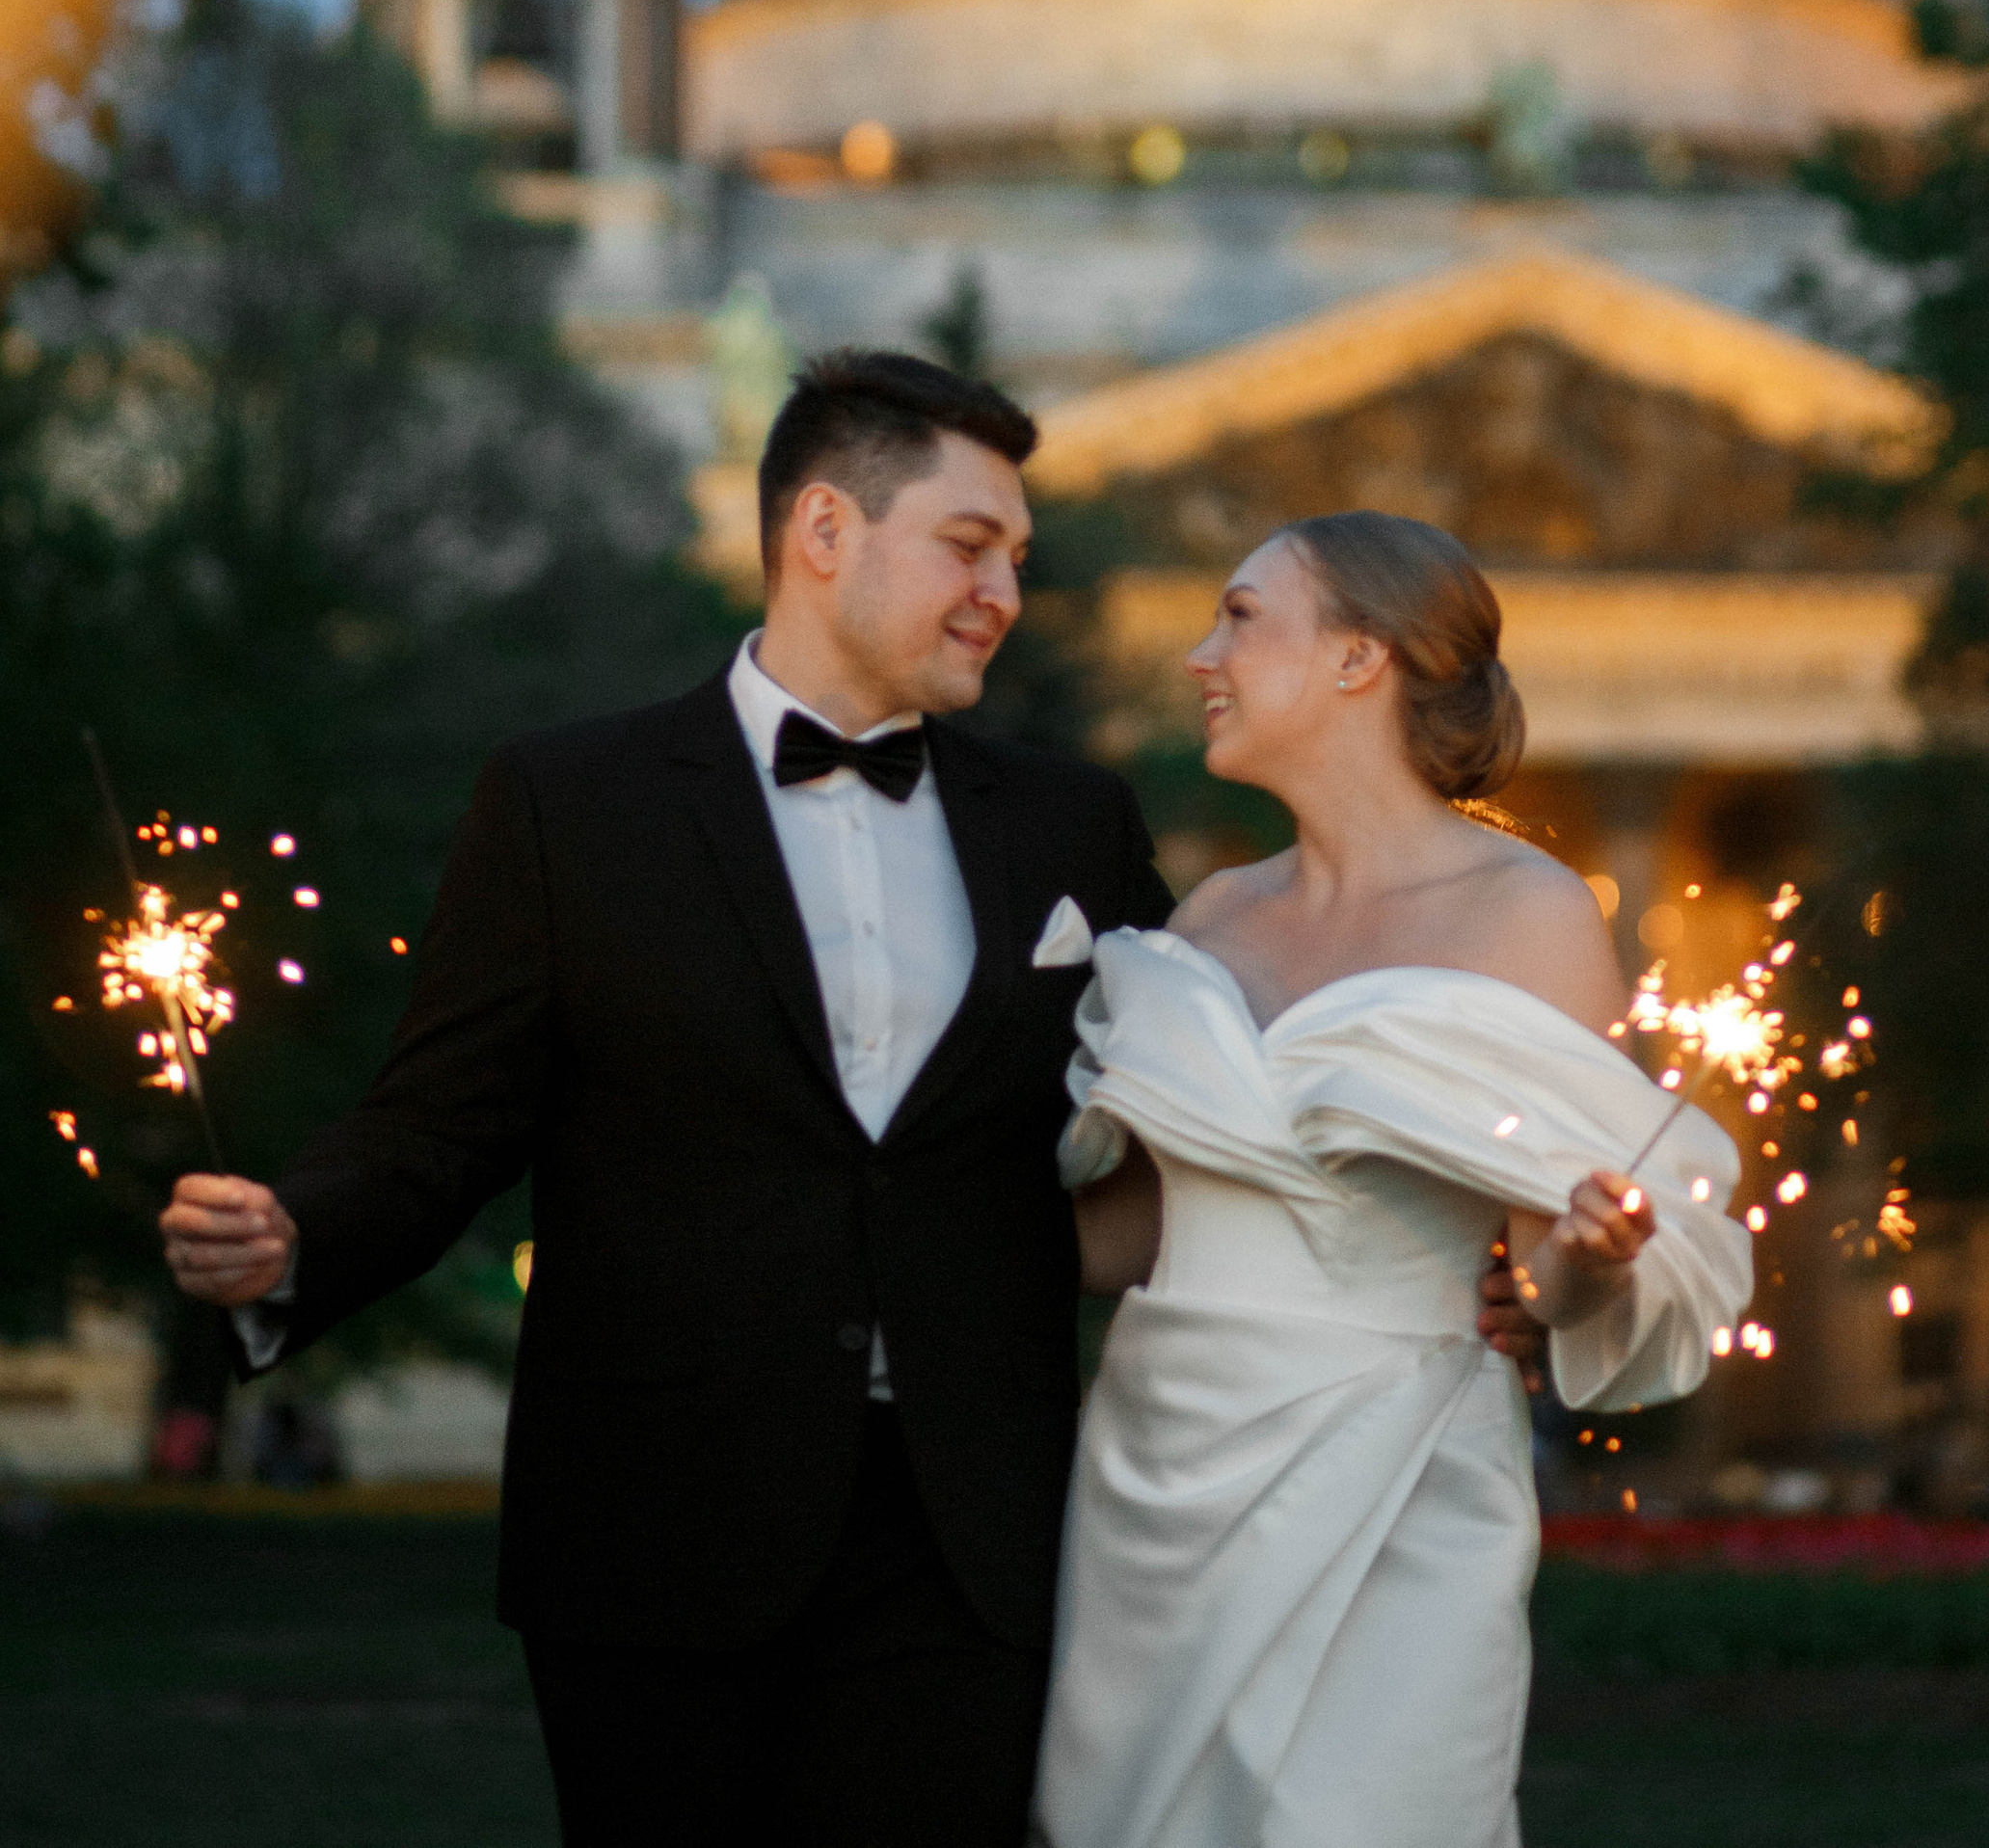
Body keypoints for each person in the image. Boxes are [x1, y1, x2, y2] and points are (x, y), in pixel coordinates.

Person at [158, 348, 1173, 1848]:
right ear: (824, 531)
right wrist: (294, 1238)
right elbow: (443, 1121)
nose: (1005, 594)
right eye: (971, 546)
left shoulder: (1074, 825)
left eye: (1017, 558)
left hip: (964, 1535)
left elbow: (1193, 1112)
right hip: (652, 1526)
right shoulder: (572, 803)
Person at [1035, 511, 1751, 1848]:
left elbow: (1544, 1253)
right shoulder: (1210, 917)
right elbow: (1127, 1232)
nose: (1203, 654)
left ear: (1361, 658)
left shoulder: (1525, 912)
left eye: (1241, 618)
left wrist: (1588, 1255)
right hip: (1156, 1472)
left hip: (1398, 1476)